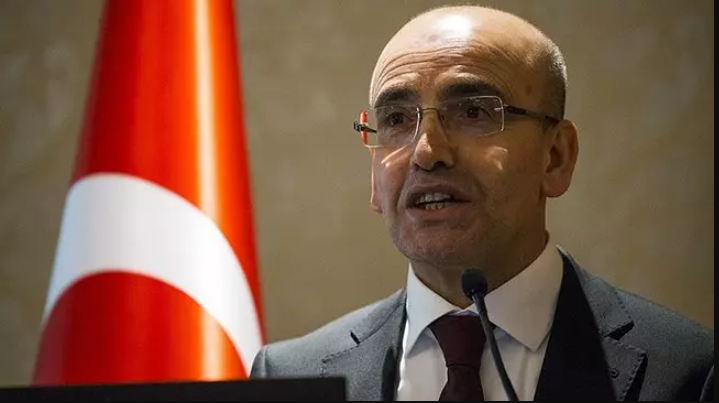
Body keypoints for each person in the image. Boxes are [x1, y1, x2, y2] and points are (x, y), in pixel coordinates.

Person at [250, 5, 714, 401]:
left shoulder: (691, 373)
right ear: (376, 179)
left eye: (473, 112)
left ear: (556, 157)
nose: (427, 151)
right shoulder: (289, 376)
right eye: (396, 119)